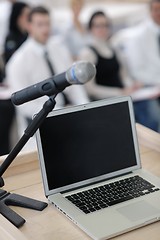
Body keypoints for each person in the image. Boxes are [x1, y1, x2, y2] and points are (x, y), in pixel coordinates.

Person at [6, 6, 89, 143]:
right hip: (42, 125)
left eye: (47, 23)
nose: (45, 29)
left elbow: (74, 83)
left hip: (71, 115)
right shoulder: (18, 62)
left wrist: (84, 107)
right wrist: (60, 112)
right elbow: (23, 104)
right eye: (40, 24)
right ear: (29, 26)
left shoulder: (59, 48)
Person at [79, 11, 136, 100]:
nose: (103, 29)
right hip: (106, 102)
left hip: (125, 97)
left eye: (106, 25)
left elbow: (124, 76)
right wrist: (118, 92)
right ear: (91, 29)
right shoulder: (87, 53)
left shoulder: (115, 49)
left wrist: (130, 86)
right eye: (98, 26)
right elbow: (90, 89)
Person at [125, 0, 160, 131]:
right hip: (148, 87)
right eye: (156, 9)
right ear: (150, 11)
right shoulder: (138, 36)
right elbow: (137, 71)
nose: (159, 13)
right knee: (155, 116)